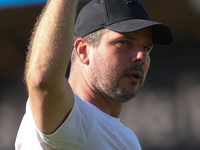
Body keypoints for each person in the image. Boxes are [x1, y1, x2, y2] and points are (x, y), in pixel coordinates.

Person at [15, 0, 173, 149]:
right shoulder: (74, 120)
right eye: (124, 42)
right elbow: (43, 79)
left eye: (146, 48)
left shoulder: (129, 140)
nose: (142, 56)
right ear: (83, 51)